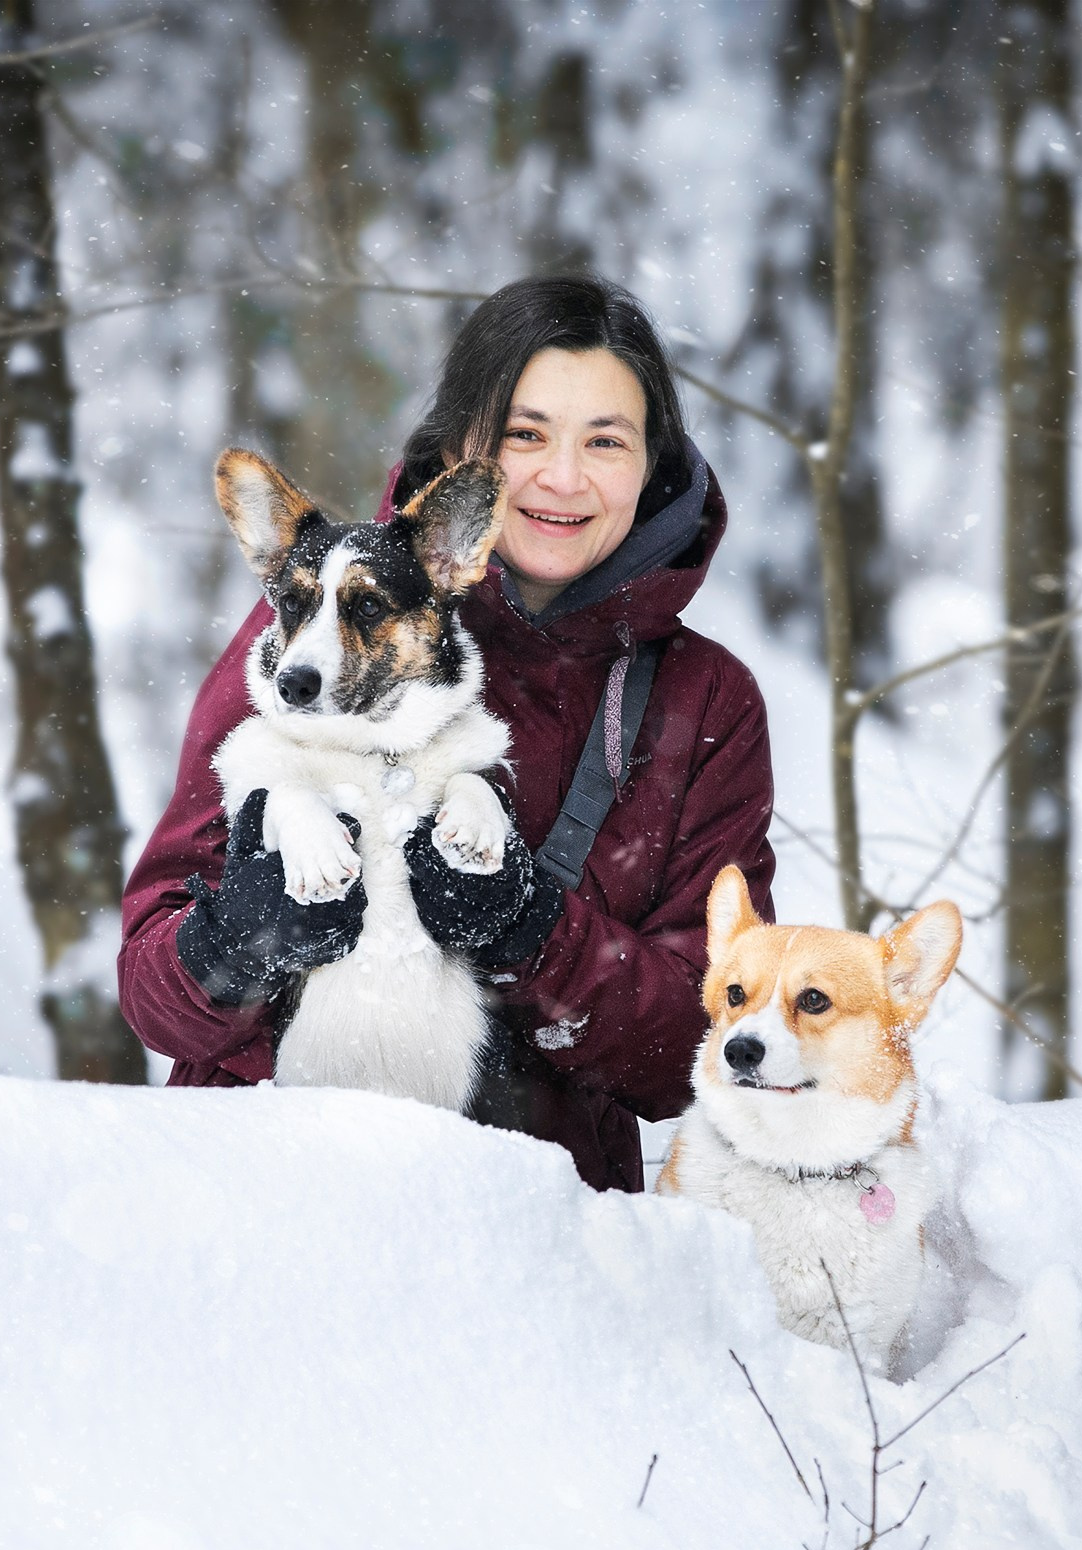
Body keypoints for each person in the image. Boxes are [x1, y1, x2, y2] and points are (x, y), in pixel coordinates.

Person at [117, 275, 777, 1192]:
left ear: (651, 458)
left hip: (529, 1222)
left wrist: (534, 932)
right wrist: (237, 939)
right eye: (525, 433)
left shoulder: (704, 703)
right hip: (261, 1190)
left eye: (606, 440)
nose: (562, 477)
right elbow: (153, 999)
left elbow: (709, 1050)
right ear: (465, 443)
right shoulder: (306, 653)